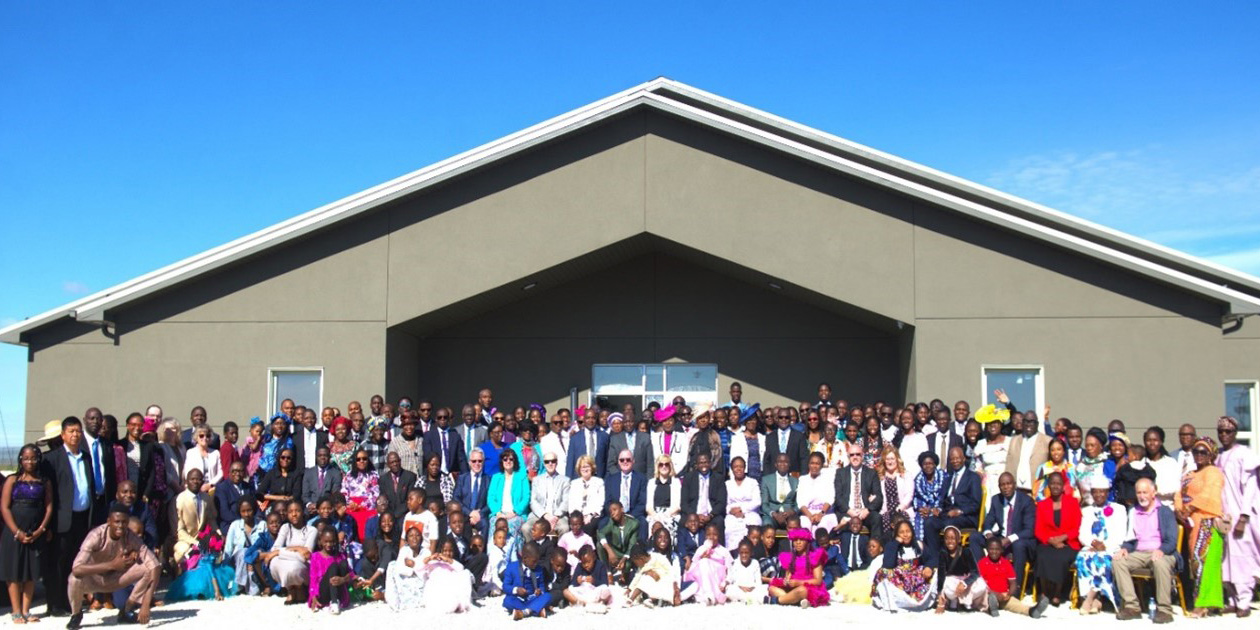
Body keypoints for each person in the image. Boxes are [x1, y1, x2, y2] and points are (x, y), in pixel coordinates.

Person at [65, 504, 161, 629]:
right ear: (108, 521)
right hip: (95, 580)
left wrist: (146, 603)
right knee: (74, 579)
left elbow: (155, 565)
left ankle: (127, 610)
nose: (121, 526)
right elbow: (77, 569)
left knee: (150, 567)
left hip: (118, 579)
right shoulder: (95, 536)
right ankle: (76, 615)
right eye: (117, 522)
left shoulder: (130, 536)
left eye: (124, 522)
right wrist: (112, 565)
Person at [39, 417, 96, 616]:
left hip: (82, 517)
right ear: (63, 435)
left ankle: (73, 601)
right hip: (61, 520)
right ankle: (56, 604)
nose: (75, 435)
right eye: (71, 431)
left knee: (76, 562)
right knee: (58, 563)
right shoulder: (52, 459)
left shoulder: (86, 457)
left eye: (78, 431)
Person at [1113, 478, 1179, 623]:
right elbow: (1131, 539)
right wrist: (1124, 548)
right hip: (1139, 552)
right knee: (1118, 561)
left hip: (1163, 551)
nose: (1142, 496)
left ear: (1153, 493)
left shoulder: (1164, 511)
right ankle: (1132, 607)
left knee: (1160, 563)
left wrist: (1161, 550)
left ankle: (1164, 610)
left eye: (1145, 492)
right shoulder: (1133, 511)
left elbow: (1171, 540)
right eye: (1139, 493)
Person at [1, 444, 51, 624]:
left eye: (33, 458)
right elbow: (5, 507)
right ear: (20, 460)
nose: (29, 461)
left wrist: (40, 530)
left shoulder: (44, 482)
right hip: (14, 532)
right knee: (14, 572)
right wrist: (17, 532)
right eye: (26, 458)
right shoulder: (12, 480)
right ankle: (16, 611)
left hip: (35, 531)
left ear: (38, 459)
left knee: (31, 572)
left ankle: (26, 610)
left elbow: (48, 506)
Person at [1175, 435, 1225, 616]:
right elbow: (1179, 494)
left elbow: (1209, 494)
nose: (1199, 455)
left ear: (1211, 454)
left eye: (1203, 451)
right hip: (1191, 525)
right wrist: (1179, 509)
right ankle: (1203, 601)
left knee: (1206, 564)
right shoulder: (1189, 474)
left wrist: (1189, 507)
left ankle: (1203, 604)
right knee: (1195, 564)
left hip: (1207, 523)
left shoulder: (1213, 472)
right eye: (1196, 451)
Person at [1214, 415, 1258, 617]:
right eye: (1221, 432)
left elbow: (1250, 488)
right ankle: (1231, 599)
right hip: (1223, 517)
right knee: (1226, 559)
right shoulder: (1218, 456)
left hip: (1240, 516)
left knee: (1242, 559)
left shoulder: (1245, 454)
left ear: (1235, 433)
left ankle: (1244, 601)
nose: (1224, 435)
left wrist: (1244, 517)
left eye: (1228, 431)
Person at [971, 472, 1036, 597]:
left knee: (1019, 545)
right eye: (1002, 485)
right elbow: (988, 521)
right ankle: (983, 576)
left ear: (1014, 485)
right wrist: (988, 533)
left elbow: (1029, 529)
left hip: (1020, 539)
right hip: (1001, 538)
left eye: (1008, 484)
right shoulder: (997, 499)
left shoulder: (1026, 501)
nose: (1006, 487)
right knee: (975, 537)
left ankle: (1015, 590)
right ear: (999, 487)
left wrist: (1009, 539)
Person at [1075, 473, 1127, 614]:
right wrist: (1092, 543)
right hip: (1092, 547)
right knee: (1082, 558)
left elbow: (1121, 534)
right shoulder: (1087, 510)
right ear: (1092, 493)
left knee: (1101, 559)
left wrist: (1104, 545)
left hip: (1111, 547)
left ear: (1107, 492)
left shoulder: (1119, 509)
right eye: (1095, 491)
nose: (1099, 495)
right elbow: (1082, 533)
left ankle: (1089, 598)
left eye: (1102, 491)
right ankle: (1097, 600)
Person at [923, 447, 981, 563]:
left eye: (958, 458)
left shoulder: (973, 477)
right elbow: (942, 500)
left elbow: (976, 504)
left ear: (964, 459)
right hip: (947, 515)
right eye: (952, 459)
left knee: (949, 524)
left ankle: (951, 562)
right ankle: (934, 560)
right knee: (929, 522)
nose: (955, 461)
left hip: (965, 516)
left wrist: (960, 511)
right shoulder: (948, 478)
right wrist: (938, 509)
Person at [1033, 471, 1081, 607]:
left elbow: (1077, 527)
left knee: (1061, 557)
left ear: (1063, 485)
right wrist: (1051, 541)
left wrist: (1063, 538)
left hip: (1068, 543)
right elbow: (1038, 530)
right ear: (1048, 485)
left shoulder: (1072, 503)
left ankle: (1057, 593)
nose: (1055, 486)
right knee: (1042, 556)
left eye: (1058, 484)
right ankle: (1044, 592)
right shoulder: (1042, 505)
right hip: (1047, 542)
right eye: (1052, 483)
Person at [871, 520, 934, 612]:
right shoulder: (891, 546)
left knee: (935, 572)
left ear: (912, 532)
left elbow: (931, 559)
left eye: (908, 531)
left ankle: (919, 601)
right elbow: (888, 565)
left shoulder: (919, 545)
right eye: (901, 532)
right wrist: (896, 543)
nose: (905, 535)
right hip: (900, 580)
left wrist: (929, 567)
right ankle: (891, 603)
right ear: (896, 534)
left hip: (915, 580)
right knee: (882, 572)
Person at [978, 536, 1048, 617]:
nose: (994, 552)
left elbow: (1013, 582)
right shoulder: (982, 563)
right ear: (987, 549)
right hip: (989, 594)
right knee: (988, 600)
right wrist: (995, 594)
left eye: (997, 549)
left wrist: (1009, 594)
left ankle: (1031, 611)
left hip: (1004, 595)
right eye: (991, 549)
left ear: (1001, 550)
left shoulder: (1006, 563)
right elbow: (981, 585)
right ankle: (992, 608)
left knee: (1016, 604)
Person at [266, 501, 317, 605]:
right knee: (274, 562)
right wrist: (297, 549)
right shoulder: (285, 528)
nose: (294, 514)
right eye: (290, 512)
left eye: (297, 511)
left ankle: (300, 588)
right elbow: (274, 548)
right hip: (289, 562)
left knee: (294, 566)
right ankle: (290, 589)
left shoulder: (312, 530)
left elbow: (306, 556)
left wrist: (281, 551)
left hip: (303, 567)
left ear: (303, 512)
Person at [627, 528, 689, 606]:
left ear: (670, 540)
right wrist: (649, 573)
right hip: (651, 585)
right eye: (660, 537)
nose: (663, 540)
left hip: (669, 584)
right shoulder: (648, 555)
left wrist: (676, 590)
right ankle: (654, 599)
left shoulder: (674, 556)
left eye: (666, 538)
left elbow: (675, 575)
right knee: (645, 578)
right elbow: (638, 574)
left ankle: (668, 598)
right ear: (655, 539)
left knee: (694, 585)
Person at [835, 442, 882, 537]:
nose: (855, 457)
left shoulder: (871, 473)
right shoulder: (840, 473)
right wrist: (849, 511)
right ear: (848, 457)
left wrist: (867, 510)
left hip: (865, 513)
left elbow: (879, 497)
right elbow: (838, 498)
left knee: (876, 518)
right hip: (847, 512)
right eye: (852, 455)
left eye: (858, 454)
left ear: (862, 456)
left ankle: (876, 547)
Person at [489, 448, 531, 554]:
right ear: (501, 461)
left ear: (515, 461)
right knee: (494, 524)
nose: (508, 461)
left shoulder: (522, 477)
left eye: (511, 459)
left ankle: (514, 556)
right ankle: (493, 556)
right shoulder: (496, 478)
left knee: (510, 526)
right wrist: (497, 512)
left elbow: (526, 497)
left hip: (516, 514)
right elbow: (490, 497)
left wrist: (515, 512)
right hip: (499, 514)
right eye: (505, 459)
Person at [934, 525, 982, 613]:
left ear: (958, 540)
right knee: (946, 583)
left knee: (982, 584)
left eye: (953, 538)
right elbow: (941, 574)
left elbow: (975, 572)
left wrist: (964, 583)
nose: (950, 541)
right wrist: (940, 595)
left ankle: (963, 602)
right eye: (947, 538)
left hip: (965, 583)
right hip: (952, 584)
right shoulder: (943, 553)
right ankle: (955, 601)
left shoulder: (966, 551)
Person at [1004, 405, 1050, 494]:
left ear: (1037, 424)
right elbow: (1008, 465)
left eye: (1032, 422)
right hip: (1017, 492)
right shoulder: (1014, 440)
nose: (1028, 424)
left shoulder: (1047, 441)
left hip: (1037, 493)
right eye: (1026, 421)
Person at [419, 537, 474, 612]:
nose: (447, 553)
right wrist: (430, 558)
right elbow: (418, 567)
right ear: (440, 550)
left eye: (450, 551)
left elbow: (461, 568)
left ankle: (464, 605)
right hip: (436, 591)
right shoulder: (433, 563)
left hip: (449, 590)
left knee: (466, 573)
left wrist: (448, 560)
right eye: (445, 551)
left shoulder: (452, 563)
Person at [173, 468, 216, 563]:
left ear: (203, 482)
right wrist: (196, 543)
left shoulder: (206, 498)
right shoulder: (179, 500)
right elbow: (179, 531)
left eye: (199, 479)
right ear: (186, 481)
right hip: (184, 541)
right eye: (192, 479)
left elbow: (211, 520)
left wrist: (217, 533)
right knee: (183, 549)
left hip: (203, 539)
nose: (195, 482)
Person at [524, 451, 570, 538]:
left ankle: (559, 551)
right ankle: (532, 550)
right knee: (526, 528)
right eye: (547, 461)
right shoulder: (537, 480)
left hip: (558, 516)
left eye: (553, 461)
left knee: (564, 528)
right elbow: (533, 501)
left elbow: (566, 501)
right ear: (544, 464)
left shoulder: (565, 480)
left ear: (557, 462)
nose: (550, 464)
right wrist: (545, 515)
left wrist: (555, 516)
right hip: (539, 515)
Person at [223, 498, 263, 595]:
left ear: (254, 510)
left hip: (256, 561)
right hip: (237, 561)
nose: (246, 514)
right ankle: (240, 585)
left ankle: (249, 586)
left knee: (250, 555)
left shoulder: (262, 524)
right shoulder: (235, 525)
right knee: (244, 552)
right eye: (243, 511)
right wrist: (225, 567)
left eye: (249, 510)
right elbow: (228, 548)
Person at [685, 523, 730, 605]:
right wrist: (701, 558)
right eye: (709, 535)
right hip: (703, 581)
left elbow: (729, 570)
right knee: (703, 562)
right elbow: (693, 567)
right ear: (705, 536)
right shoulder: (701, 549)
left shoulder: (724, 551)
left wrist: (725, 582)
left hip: (718, 581)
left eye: (715, 534)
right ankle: (708, 595)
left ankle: (711, 595)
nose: (711, 537)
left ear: (719, 536)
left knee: (705, 562)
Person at [503, 541, 550, 620]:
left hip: (532, 597)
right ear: (525, 558)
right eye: (534, 561)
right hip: (518, 598)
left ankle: (524, 612)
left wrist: (540, 591)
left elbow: (542, 585)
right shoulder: (511, 567)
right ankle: (536, 609)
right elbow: (505, 586)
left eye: (537, 561)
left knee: (548, 596)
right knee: (507, 601)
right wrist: (516, 590)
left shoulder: (539, 569)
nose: (536, 564)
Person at [386, 526, 429, 611]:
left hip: (421, 582)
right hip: (405, 581)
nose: (414, 538)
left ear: (421, 538)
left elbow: (425, 570)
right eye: (411, 536)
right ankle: (395, 602)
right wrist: (413, 570)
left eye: (417, 535)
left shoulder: (426, 552)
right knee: (392, 565)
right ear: (407, 540)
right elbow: (399, 568)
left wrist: (413, 565)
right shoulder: (404, 550)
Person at [342, 448, 380, 540]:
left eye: (364, 459)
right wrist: (351, 504)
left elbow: (375, 494)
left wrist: (361, 506)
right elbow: (344, 492)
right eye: (358, 459)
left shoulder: (373, 475)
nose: (361, 461)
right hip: (352, 507)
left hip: (367, 507)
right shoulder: (348, 475)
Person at [723, 455, 760, 549]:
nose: (738, 469)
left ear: (745, 468)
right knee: (729, 528)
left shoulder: (752, 482)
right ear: (732, 469)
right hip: (732, 514)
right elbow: (725, 503)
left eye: (741, 466)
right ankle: (733, 555)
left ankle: (753, 554)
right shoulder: (727, 484)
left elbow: (757, 502)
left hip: (750, 512)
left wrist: (742, 509)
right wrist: (731, 511)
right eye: (735, 467)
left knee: (753, 527)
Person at [597, 501, 639, 583]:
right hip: (615, 552)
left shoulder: (634, 524)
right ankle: (608, 573)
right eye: (610, 512)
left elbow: (632, 545)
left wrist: (623, 560)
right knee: (599, 545)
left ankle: (625, 573)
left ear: (622, 509)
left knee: (627, 566)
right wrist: (609, 551)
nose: (612, 513)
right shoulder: (611, 522)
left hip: (627, 554)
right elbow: (600, 533)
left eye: (614, 510)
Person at [564, 545, 614, 612]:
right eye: (583, 563)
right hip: (583, 593)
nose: (586, 565)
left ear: (594, 558)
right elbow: (572, 584)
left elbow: (605, 583)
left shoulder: (600, 565)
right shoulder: (579, 566)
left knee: (606, 590)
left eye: (588, 562)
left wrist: (594, 581)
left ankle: (582, 604)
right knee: (566, 591)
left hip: (596, 593)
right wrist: (577, 582)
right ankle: (586, 604)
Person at [876, 446, 913, 536]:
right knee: (884, 519)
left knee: (900, 520)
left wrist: (901, 507)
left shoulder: (905, 475)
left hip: (902, 509)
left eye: (892, 458)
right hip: (886, 510)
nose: (890, 461)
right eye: (887, 459)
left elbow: (909, 494)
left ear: (897, 459)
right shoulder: (880, 476)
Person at [646, 454, 682, 541]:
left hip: (671, 514)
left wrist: (665, 516)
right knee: (654, 526)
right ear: (657, 467)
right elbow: (648, 507)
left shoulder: (676, 482)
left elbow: (677, 506)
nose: (664, 467)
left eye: (666, 464)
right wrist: (656, 516)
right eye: (661, 464)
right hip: (654, 515)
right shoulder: (651, 482)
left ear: (670, 466)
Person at [974, 412, 1010, 497]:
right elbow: (978, 466)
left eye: (995, 422)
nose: (992, 425)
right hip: (988, 484)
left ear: (1001, 424)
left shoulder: (1009, 441)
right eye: (989, 423)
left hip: (1006, 482)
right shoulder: (981, 444)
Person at [762, 408, 808, 475]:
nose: (784, 420)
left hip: (793, 477)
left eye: (787, 417)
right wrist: (768, 478)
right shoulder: (770, 437)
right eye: (781, 417)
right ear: (777, 419)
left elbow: (804, 458)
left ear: (790, 419)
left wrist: (803, 476)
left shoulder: (799, 436)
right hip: (774, 477)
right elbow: (767, 460)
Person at [422, 407, 465, 476]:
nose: (442, 419)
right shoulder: (429, 435)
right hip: (434, 475)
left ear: (448, 419)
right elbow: (428, 456)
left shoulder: (455, 436)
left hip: (451, 475)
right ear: (436, 419)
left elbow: (461, 458)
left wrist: (466, 476)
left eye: (445, 417)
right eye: (440, 417)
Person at [911, 451, 944, 540]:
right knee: (916, 521)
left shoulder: (943, 477)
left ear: (935, 464)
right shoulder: (918, 479)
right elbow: (915, 498)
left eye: (930, 463)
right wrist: (921, 509)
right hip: (924, 510)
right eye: (925, 464)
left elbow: (944, 497)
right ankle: (920, 548)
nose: (928, 466)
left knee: (931, 522)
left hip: (940, 510)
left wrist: (935, 509)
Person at [608, 412, 653, 477]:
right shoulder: (615, 439)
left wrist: (647, 480)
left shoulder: (645, 437)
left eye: (631, 422)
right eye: (625, 422)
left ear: (635, 422)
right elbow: (611, 464)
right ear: (622, 423)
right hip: (621, 479)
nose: (628, 424)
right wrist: (619, 477)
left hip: (641, 478)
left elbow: (650, 463)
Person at [1141, 427, 1180, 502]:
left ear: (1161, 442)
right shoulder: (1141, 463)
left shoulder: (1171, 463)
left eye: (1155, 440)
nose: (1152, 444)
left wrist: (1154, 491)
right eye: (1149, 440)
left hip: (1166, 506)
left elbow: (1176, 488)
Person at [215, 460, 254, 534]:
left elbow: (255, 507)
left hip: (249, 522)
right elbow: (225, 513)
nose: (237, 474)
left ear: (244, 473)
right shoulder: (222, 488)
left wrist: (260, 519)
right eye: (234, 471)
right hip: (230, 524)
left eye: (241, 471)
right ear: (229, 473)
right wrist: (243, 522)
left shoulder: (248, 487)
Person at [379, 451, 419, 523]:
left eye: (396, 461)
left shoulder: (410, 477)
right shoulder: (383, 479)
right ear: (388, 464)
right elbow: (384, 499)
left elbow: (409, 500)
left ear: (400, 461)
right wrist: (391, 515)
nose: (395, 464)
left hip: (405, 514)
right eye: (392, 462)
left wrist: (397, 514)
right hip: (389, 516)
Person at [725, 539, 767, 603]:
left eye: (746, 553)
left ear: (751, 552)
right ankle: (748, 599)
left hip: (752, 589)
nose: (744, 555)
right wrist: (740, 587)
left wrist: (753, 588)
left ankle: (745, 599)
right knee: (730, 589)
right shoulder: (735, 563)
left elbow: (758, 581)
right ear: (739, 552)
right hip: (739, 589)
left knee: (763, 590)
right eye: (742, 553)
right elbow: (731, 579)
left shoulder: (755, 563)